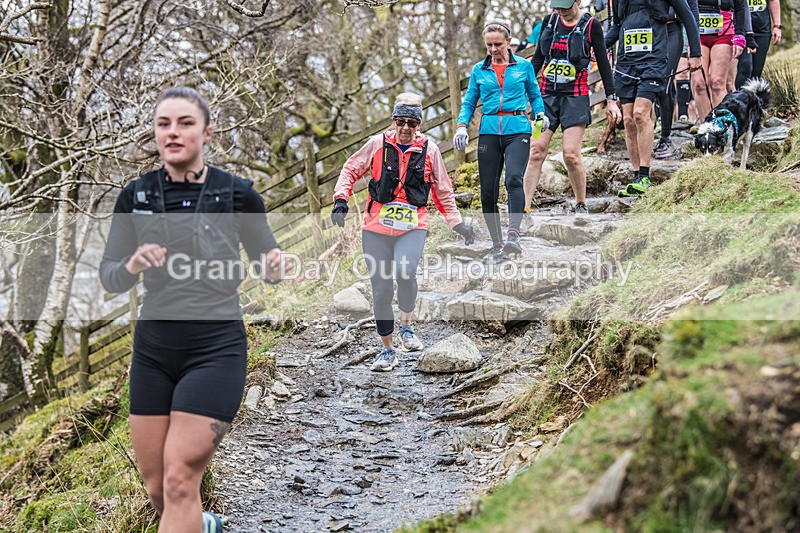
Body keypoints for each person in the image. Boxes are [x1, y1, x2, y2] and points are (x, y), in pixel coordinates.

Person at [100, 87, 287, 533]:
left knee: (181, 476)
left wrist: (276, 266)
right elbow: (110, 277)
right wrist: (131, 264)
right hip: (153, 350)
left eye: (185, 122)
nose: (173, 132)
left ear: (207, 132)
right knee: (158, 489)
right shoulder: (136, 196)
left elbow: (269, 264)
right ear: (154, 133)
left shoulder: (238, 193)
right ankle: (202, 526)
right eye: (163, 123)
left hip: (216, 348)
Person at [331, 93, 474, 372]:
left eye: (411, 122)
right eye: (400, 121)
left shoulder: (429, 149)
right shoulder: (377, 144)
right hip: (375, 227)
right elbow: (350, 170)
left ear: (418, 124)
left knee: (405, 271)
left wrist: (456, 223)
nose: (406, 128)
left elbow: (442, 190)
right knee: (381, 288)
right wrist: (341, 200)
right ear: (394, 121)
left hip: (412, 225)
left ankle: (406, 327)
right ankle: (387, 350)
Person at [454, 19, 545, 261]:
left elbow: (535, 94)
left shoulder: (524, 67)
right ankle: (497, 244)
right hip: (489, 131)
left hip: (518, 129)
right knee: (487, 191)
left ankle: (513, 236)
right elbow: (469, 102)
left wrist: (540, 113)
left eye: (497, 44)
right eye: (488, 45)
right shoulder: (478, 70)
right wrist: (461, 127)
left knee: (514, 179)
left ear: (508, 42)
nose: (493, 50)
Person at [524, 0, 622, 223]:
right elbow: (538, 58)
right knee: (536, 151)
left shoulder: (591, 26)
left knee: (570, 154)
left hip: (575, 97)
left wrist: (611, 99)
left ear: (577, 2)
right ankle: (524, 209)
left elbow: (604, 66)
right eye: (558, 8)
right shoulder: (549, 23)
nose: (561, 13)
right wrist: (521, 89)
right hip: (546, 97)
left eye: (566, 8)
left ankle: (581, 203)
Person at [606, 0, 702, 197]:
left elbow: (687, 15)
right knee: (629, 120)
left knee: (640, 114)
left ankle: (644, 175)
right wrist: (597, 45)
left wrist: (696, 52)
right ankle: (635, 178)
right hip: (627, 61)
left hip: (653, 59)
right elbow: (616, 25)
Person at [653, 0, 700, 159]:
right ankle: (649, 130)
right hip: (649, 31)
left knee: (663, 85)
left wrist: (695, 51)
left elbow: (690, 11)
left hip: (672, 30)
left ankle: (666, 137)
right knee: (648, 86)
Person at [691, 0, 747, 124]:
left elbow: (741, 7)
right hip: (696, 33)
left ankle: (721, 127)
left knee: (717, 83)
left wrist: (740, 35)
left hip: (724, 31)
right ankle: (706, 127)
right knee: (699, 85)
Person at [736, 0, 781, 87]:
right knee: (745, 68)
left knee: (757, 72)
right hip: (741, 31)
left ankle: (752, 99)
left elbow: (773, 1)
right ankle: (739, 98)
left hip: (762, 30)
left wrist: (777, 26)